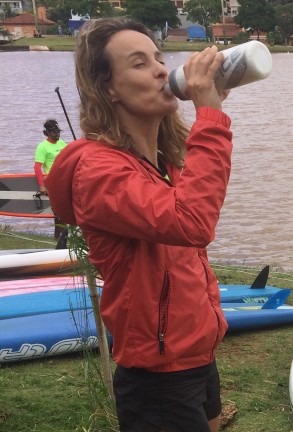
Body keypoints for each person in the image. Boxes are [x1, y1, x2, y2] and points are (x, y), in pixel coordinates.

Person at [45, 17, 232, 432]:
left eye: (159, 58)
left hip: (195, 352)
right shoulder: (99, 172)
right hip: (158, 376)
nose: (162, 70)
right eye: (139, 63)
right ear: (107, 87)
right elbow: (193, 223)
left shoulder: (162, 165)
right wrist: (211, 118)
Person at [34, 119, 68, 246]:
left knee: (61, 214)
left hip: (64, 182)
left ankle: (58, 240)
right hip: (53, 183)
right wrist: (42, 185)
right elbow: (37, 167)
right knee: (60, 214)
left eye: (58, 131)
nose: (57, 134)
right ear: (47, 132)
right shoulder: (42, 147)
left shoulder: (62, 143)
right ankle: (62, 242)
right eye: (54, 132)